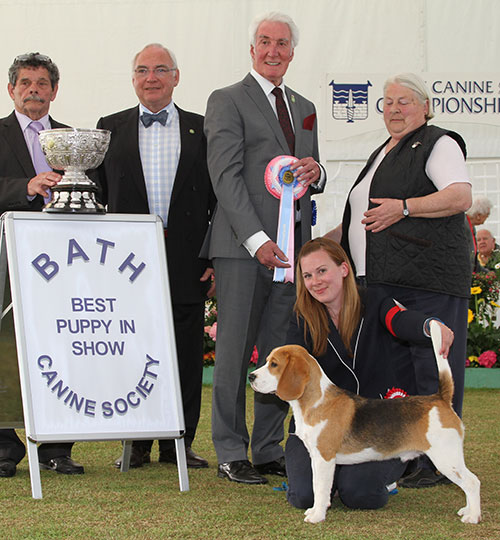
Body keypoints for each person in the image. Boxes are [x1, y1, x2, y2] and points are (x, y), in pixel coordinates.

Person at [204, 11, 326, 484]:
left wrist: (318, 172)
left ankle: (269, 448)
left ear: (292, 52)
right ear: (252, 49)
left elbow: (306, 175)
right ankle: (231, 450)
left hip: (292, 253)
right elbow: (226, 176)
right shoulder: (227, 100)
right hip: (242, 249)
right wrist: (257, 240)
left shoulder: (305, 105)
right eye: (264, 42)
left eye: (282, 44)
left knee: (283, 355)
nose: (273, 50)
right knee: (233, 353)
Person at [334, 72, 472, 488]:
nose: (394, 109)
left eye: (404, 102)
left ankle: (435, 462)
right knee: (401, 377)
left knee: (432, 370)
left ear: (426, 108)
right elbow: (359, 220)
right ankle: (410, 454)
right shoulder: (383, 151)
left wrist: (406, 207)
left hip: (426, 279)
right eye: (388, 102)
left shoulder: (439, 142)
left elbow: (460, 196)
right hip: (382, 282)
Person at [93, 44, 215, 469]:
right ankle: (138, 443)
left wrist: (213, 259)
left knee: (184, 352)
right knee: (132, 349)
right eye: (143, 70)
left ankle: (179, 442)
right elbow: (99, 198)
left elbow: (218, 202)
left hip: (188, 260)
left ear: (176, 77)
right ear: (133, 79)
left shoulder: (204, 128)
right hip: (127, 265)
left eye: (161, 69)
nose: (152, 78)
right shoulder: (108, 129)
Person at [285, 238, 455, 510]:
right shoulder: (301, 318)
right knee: (304, 496)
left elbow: (399, 320)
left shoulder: (375, 300)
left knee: (361, 494)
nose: (315, 281)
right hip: (319, 426)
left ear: (343, 269)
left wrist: (428, 325)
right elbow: (287, 370)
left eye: (322, 271)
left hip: (378, 426)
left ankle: (383, 471)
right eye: (307, 275)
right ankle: (332, 473)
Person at [0, 52, 84, 477]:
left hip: (61, 265)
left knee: (60, 345)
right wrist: (27, 186)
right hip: (5, 262)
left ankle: (56, 447)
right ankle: (3, 448)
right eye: (26, 82)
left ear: (54, 90)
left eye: (42, 83)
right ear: (11, 89)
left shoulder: (74, 139)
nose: (34, 89)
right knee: (5, 352)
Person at [466, 197, 493, 271]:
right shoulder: (463, 225)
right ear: (478, 215)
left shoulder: (472, 227)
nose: (487, 217)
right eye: (487, 215)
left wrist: (486, 273)